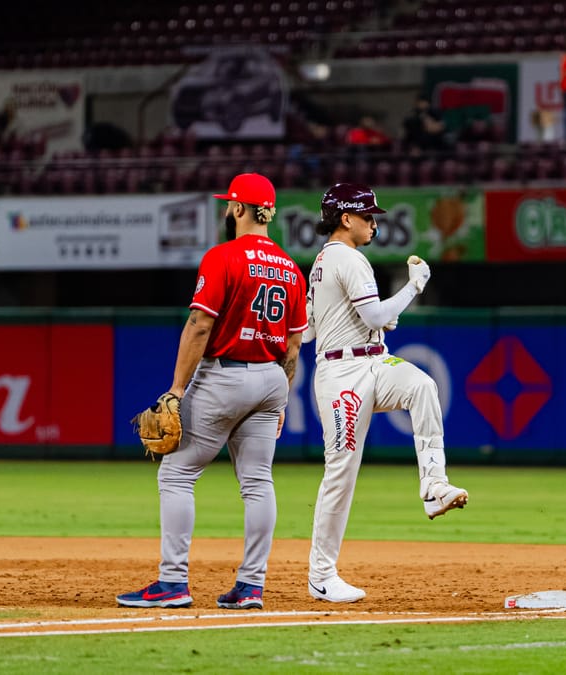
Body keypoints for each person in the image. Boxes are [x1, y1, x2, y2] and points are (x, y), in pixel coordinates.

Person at [117, 173, 307, 611]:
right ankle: (251, 587)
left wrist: (176, 390)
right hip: (272, 378)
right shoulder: (290, 268)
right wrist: (282, 401)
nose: (226, 210)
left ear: (239, 209)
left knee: (176, 474)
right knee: (258, 482)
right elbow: (293, 346)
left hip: (225, 376)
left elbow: (200, 324)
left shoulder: (223, 257)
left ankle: (172, 582)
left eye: (229, 205)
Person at [304, 183, 468, 604]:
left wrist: (374, 326)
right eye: (367, 215)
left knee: (422, 385)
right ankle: (321, 575)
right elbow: (372, 312)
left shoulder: (322, 261)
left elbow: (312, 327)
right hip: (343, 374)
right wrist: (413, 288)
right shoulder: (346, 257)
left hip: (371, 361)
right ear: (346, 219)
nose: (374, 222)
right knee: (340, 473)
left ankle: (434, 486)